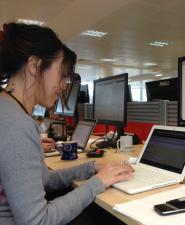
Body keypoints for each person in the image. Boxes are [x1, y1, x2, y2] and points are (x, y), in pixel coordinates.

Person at [0, 23, 134, 225]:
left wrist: (91, 167)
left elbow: (41, 181)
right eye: (62, 75)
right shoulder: (15, 123)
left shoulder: (8, 111)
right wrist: (99, 183)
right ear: (35, 65)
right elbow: (37, 221)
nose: (64, 86)